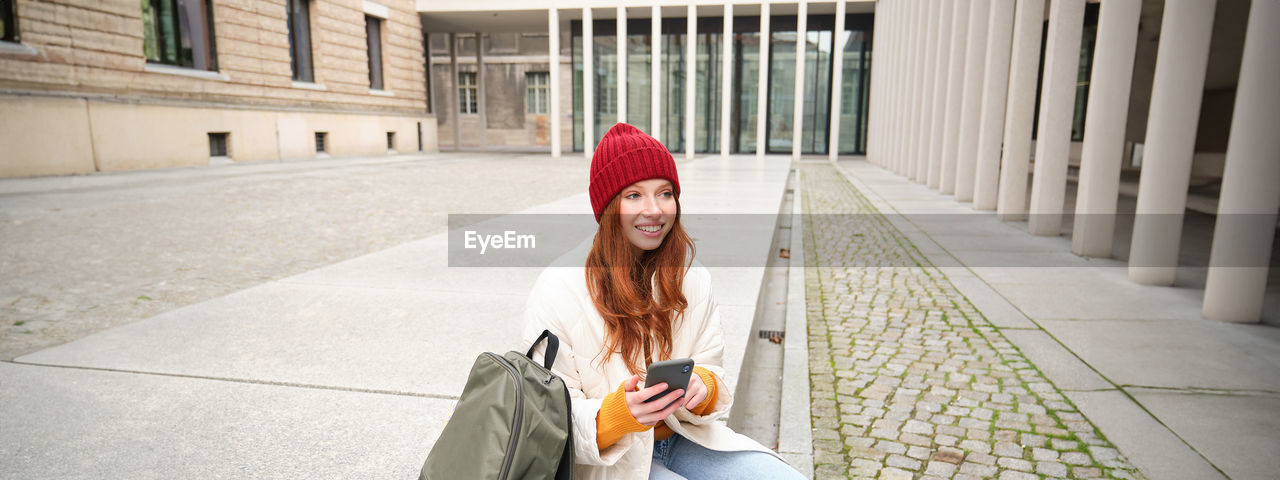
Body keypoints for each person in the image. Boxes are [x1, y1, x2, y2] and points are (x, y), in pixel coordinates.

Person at [521, 123, 806, 479]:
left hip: (683, 437)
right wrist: (617, 414)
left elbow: (711, 367)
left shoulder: (692, 276)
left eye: (665, 193)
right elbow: (546, 419)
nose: (655, 209)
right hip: (607, 462)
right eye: (634, 195)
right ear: (608, 206)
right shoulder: (558, 287)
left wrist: (704, 386)